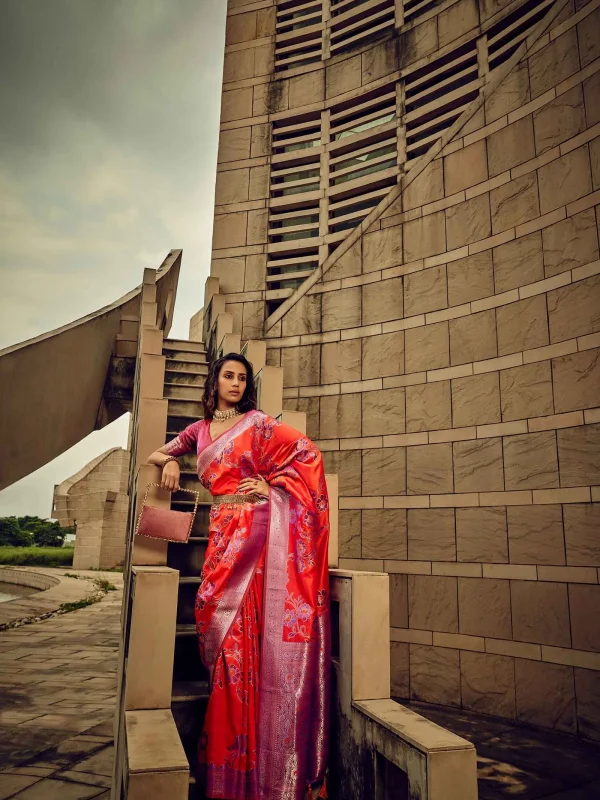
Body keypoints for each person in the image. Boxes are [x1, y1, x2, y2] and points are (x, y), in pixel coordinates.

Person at [147, 352, 330, 800]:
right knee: (217, 625)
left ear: (247, 386)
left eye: (241, 378)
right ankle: (232, 755)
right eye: (227, 375)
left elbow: (307, 454)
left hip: (258, 537)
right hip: (221, 539)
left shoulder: (260, 424)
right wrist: (170, 462)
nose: (234, 382)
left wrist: (273, 487)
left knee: (244, 639)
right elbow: (159, 451)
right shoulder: (199, 431)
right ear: (215, 381)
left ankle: (260, 765)